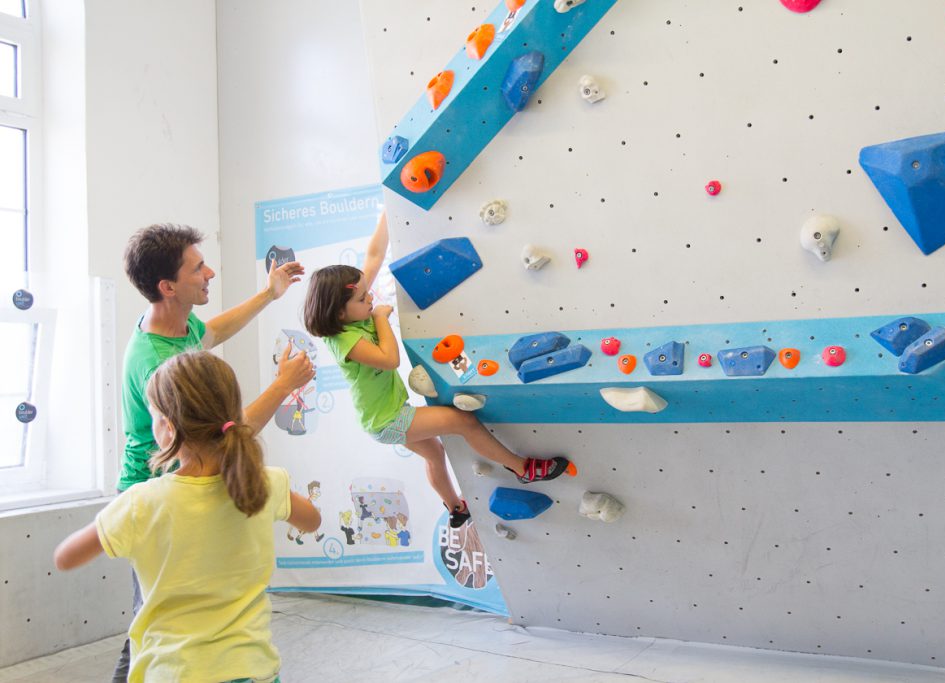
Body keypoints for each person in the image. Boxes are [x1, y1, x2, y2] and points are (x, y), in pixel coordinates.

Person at [113, 223, 316, 681]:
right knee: (153, 627)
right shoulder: (155, 362)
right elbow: (219, 436)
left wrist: (269, 294)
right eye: (197, 267)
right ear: (167, 287)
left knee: (168, 623)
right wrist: (283, 387)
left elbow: (212, 331)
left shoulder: (175, 327)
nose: (210, 272)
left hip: (187, 485)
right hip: (155, 495)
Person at [54, 351, 322, 683]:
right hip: (253, 670)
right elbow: (312, 521)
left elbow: (65, 557)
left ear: (167, 427)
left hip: (173, 673)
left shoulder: (143, 502)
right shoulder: (266, 483)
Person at [302, 212, 574, 529]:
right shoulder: (344, 339)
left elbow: (374, 255)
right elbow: (388, 359)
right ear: (338, 311)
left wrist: (388, 215)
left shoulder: (352, 309)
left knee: (434, 455)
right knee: (464, 422)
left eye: (367, 292)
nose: (371, 296)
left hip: (385, 412)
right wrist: (378, 317)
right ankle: (522, 468)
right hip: (387, 420)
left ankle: (456, 508)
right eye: (363, 298)